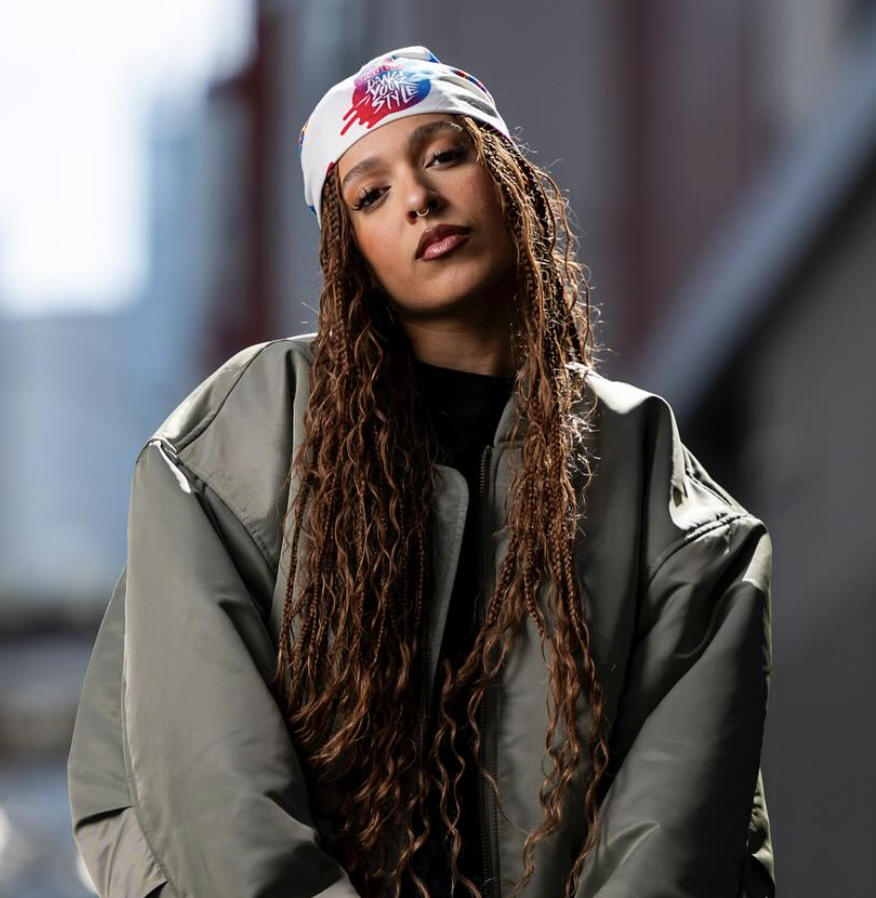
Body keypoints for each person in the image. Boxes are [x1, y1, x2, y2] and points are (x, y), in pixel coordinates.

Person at [67, 46, 776, 898]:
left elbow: (680, 825)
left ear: (511, 179)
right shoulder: (238, 441)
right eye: (370, 193)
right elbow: (199, 780)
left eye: (445, 154)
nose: (418, 197)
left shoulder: (650, 476)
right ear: (347, 247)